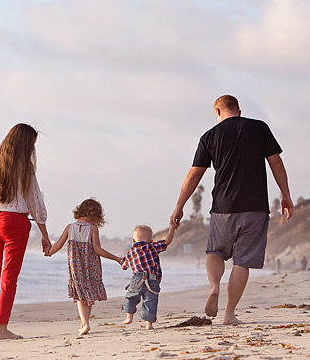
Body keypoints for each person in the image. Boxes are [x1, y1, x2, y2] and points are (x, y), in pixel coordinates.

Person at [168, 95, 293, 328]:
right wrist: (285, 194)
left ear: (218, 112)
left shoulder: (210, 136)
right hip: (255, 208)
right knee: (242, 262)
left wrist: (179, 205)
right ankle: (229, 314)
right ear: (239, 111)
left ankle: (214, 286)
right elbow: (276, 162)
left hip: (223, 208)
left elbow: (194, 174)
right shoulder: (259, 128)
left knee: (215, 251)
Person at [0, 123, 49, 342]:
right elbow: (36, 202)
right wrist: (45, 234)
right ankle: (1, 329)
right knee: (9, 277)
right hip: (14, 222)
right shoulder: (25, 167)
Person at [42, 198, 121, 335]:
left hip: (76, 266)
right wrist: (116, 258)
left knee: (81, 295)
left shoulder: (70, 227)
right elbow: (98, 250)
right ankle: (85, 323)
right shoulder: (93, 229)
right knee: (88, 293)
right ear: (96, 215)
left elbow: (58, 245)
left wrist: (49, 253)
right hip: (91, 265)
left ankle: (85, 324)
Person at [120, 220, 178, 329]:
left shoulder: (131, 252)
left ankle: (129, 317)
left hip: (137, 278)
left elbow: (124, 265)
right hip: (152, 279)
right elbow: (167, 241)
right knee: (150, 300)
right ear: (151, 240)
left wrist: (122, 262)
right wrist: (172, 228)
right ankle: (148, 324)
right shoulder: (152, 246)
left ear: (133, 241)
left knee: (131, 296)